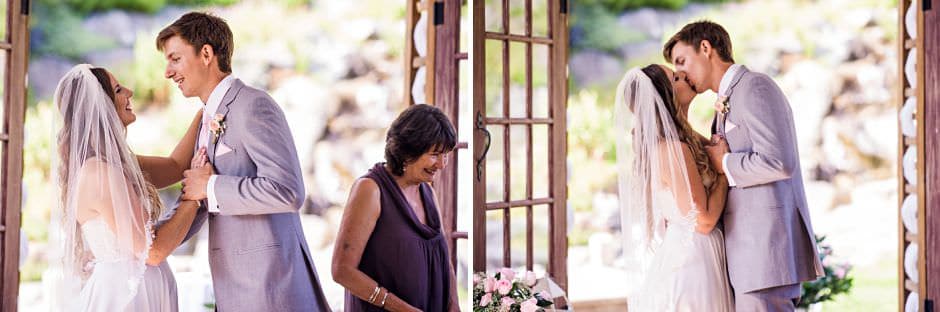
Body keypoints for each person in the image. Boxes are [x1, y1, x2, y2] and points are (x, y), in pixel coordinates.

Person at [138, 12, 332, 311]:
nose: (167, 72)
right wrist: (144, 242)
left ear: (206, 54)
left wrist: (211, 185)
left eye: (175, 59)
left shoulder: (253, 104)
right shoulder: (206, 118)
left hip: (271, 287)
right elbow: (199, 197)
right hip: (233, 288)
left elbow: (287, 190)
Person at [664, 20, 823, 311]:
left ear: (705, 48)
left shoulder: (755, 87)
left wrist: (723, 162)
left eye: (681, 61)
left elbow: (778, 162)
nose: (680, 73)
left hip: (765, 254)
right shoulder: (727, 99)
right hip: (748, 258)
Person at [53, 64, 204, 311]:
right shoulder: (99, 173)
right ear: (100, 105)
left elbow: (176, 166)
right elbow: (152, 252)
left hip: (141, 289)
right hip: (126, 296)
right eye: (119, 89)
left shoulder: (116, 164)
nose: (130, 92)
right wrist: (193, 197)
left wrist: (204, 113)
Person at [616, 64, 734, 311]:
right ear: (664, 97)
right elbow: (703, 220)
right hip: (693, 262)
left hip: (697, 251)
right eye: (675, 77)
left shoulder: (684, 140)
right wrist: (723, 171)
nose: (685, 76)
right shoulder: (671, 149)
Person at [332, 104, 460, 312]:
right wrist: (402, 309)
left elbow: (445, 261)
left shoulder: (428, 193)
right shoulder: (370, 190)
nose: (442, 164)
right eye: (435, 154)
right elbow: (342, 271)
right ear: (408, 151)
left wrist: (454, 305)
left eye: (446, 154)